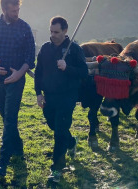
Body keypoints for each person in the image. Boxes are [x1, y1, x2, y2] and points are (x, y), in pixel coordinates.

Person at [0, 0, 35, 177]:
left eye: (18, 9)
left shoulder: (25, 27)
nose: (17, 13)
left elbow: (30, 56)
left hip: (16, 81)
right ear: (3, 9)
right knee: (7, 119)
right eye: (13, 11)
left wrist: (19, 73)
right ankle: (18, 147)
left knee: (10, 119)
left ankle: (2, 161)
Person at [34, 16, 88, 183]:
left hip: (67, 96)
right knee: (54, 126)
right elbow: (38, 71)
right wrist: (38, 93)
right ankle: (71, 142)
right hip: (49, 96)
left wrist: (67, 68)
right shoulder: (45, 48)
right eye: (51, 31)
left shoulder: (75, 49)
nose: (53, 34)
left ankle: (56, 170)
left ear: (65, 31)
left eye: (56, 32)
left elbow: (84, 72)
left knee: (59, 133)